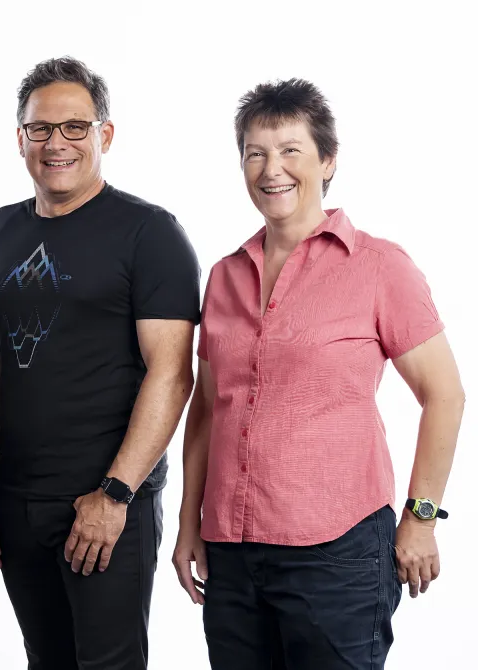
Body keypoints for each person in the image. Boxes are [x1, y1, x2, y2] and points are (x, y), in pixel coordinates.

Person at [172, 78, 465, 669]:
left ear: (327, 160)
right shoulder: (225, 275)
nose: (270, 168)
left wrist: (421, 517)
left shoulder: (380, 266)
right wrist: (188, 524)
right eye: (254, 152)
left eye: (289, 150)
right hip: (231, 552)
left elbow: (446, 395)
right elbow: (207, 408)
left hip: (338, 552)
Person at [0, 56, 201, 670]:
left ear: (106, 134)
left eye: (76, 127)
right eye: (41, 129)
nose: (57, 143)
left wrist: (116, 494)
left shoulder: (149, 233)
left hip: (104, 504)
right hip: (17, 499)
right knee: (46, 661)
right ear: (20, 139)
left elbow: (173, 373)